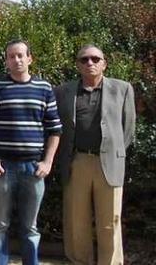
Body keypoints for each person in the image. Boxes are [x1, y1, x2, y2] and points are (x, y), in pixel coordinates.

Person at [0, 40, 62, 265]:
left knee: (30, 227)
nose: (17, 60)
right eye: (11, 56)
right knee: (0, 225)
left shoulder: (44, 88)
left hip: (33, 168)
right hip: (2, 168)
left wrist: (48, 162)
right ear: (6, 61)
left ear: (30, 58)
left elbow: (55, 129)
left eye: (21, 55)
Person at [55, 45, 135, 265]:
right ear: (77, 65)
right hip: (77, 161)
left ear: (104, 63)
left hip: (109, 162)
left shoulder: (123, 89)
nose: (90, 63)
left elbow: (128, 130)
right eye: (84, 60)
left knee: (110, 221)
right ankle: (80, 261)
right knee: (76, 220)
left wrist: (114, 151)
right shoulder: (63, 91)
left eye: (95, 59)